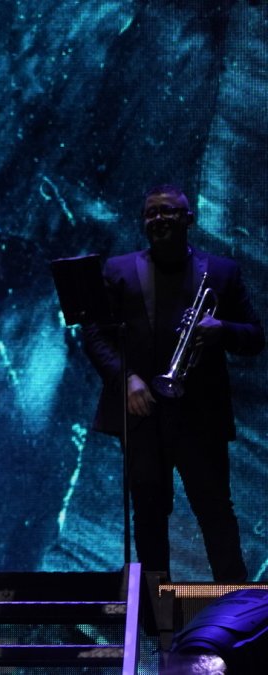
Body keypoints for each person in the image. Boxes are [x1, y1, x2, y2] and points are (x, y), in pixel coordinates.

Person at [82, 184, 263, 582]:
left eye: (168, 211)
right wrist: (126, 379)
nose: (159, 218)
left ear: (188, 219)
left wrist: (221, 329)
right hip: (143, 413)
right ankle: (154, 610)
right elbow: (93, 335)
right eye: (151, 213)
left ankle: (236, 604)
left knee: (216, 512)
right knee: (148, 514)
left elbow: (255, 336)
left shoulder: (222, 271)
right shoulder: (118, 270)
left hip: (201, 415)